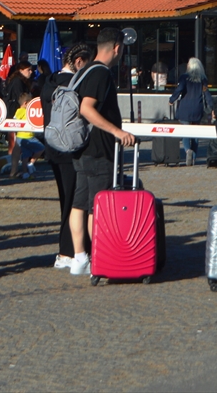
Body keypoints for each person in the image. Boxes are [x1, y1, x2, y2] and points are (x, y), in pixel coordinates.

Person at [68, 28, 137, 278]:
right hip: (99, 150)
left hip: (81, 148)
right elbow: (87, 108)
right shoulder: (102, 74)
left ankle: (79, 258)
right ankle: (98, 259)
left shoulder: (83, 71)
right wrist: (117, 131)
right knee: (96, 206)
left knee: (79, 204)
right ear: (117, 48)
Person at [40, 42, 92, 270]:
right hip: (72, 149)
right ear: (79, 61)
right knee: (76, 202)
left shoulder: (48, 83)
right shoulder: (75, 85)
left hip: (53, 147)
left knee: (65, 199)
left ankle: (64, 251)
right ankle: (70, 251)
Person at [169, 58, 210, 166]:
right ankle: (194, 158)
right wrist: (212, 106)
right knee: (195, 134)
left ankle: (188, 150)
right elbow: (206, 93)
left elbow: (179, 89)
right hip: (197, 108)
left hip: (185, 108)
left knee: (185, 131)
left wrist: (172, 99)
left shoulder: (184, 77)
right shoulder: (203, 79)